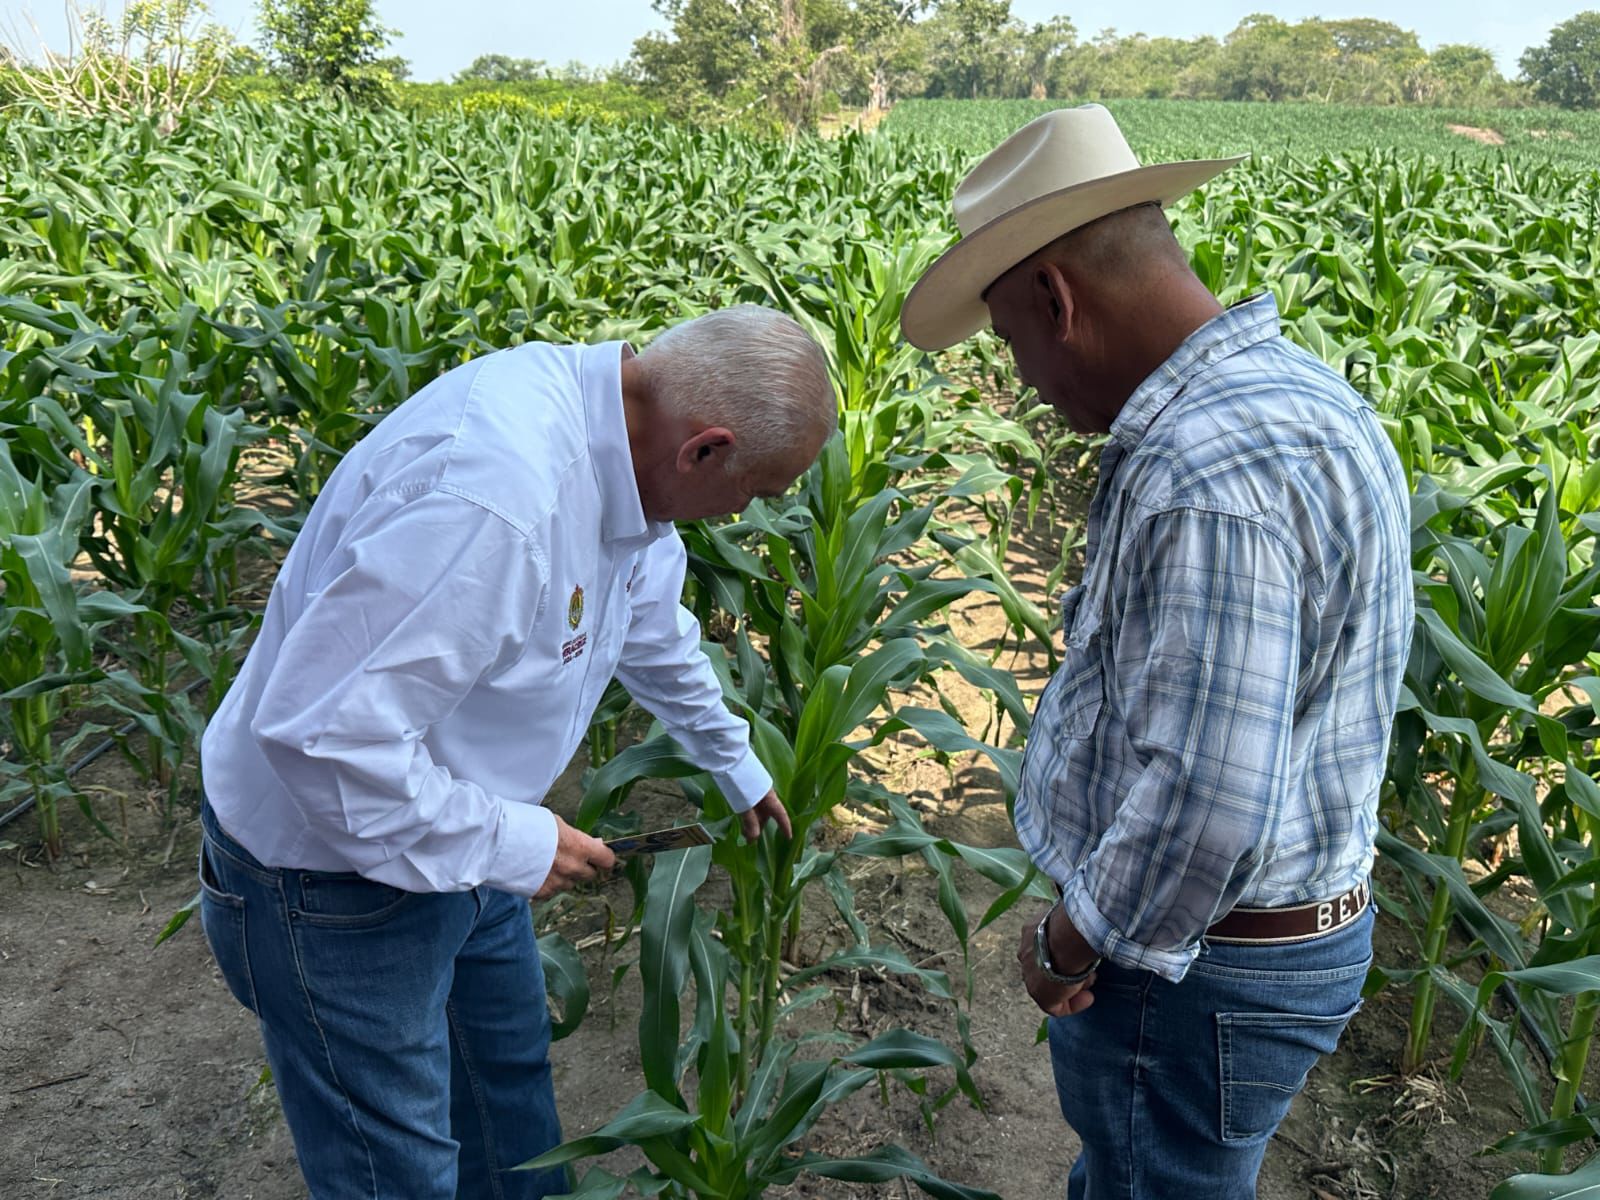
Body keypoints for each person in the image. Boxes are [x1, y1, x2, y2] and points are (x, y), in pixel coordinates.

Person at [195, 305, 837, 1199]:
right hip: (331, 881)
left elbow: (648, 626)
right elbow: (322, 738)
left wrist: (735, 764)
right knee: (400, 1173)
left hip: (463, 837)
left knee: (508, 1112)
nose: (747, 511)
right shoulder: (490, 505)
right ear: (705, 450)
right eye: (757, 490)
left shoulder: (628, 453)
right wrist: (515, 843)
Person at [901, 105, 1413, 1198]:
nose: (1024, 381)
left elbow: (1207, 801)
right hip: (1282, 937)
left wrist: (1068, 942)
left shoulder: (1202, 470)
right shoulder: (1306, 395)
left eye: (1011, 340)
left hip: (1198, 971)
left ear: (1057, 299)